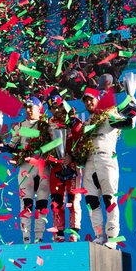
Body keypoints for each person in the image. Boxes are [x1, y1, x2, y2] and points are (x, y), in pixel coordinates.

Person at [81, 88, 136, 249]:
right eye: (85, 100)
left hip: (107, 159)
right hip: (90, 162)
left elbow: (128, 124)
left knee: (109, 199)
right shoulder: (87, 123)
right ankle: (99, 235)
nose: (88, 102)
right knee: (91, 201)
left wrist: (132, 104)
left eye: (91, 99)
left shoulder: (109, 116)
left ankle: (112, 238)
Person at [8, 97, 53, 244]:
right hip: (25, 168)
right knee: (26, 204)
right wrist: (0, 145)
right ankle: (26, 238)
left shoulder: (47, 126)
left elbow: (55, 144)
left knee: (41, 204)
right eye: (26, 107)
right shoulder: (19, 126)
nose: (28, 110)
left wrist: (43, 151)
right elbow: (12, 147)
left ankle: (39, 238)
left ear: (39, 108)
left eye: (31, 107)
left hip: (43, 168)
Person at [47, 96, 84, 242]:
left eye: (59, 106)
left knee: (73, 199)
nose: (57, 110)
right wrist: (51, 157)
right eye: (53, 108)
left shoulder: (73, 121)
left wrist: (73, 157)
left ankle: (74, 231)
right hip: (56, 167)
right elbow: (44, 147)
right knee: (57, 201)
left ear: (64, 106)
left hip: (72, 166)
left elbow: (82, 142)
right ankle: (59, 232)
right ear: (49, 110)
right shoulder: (47, 125)